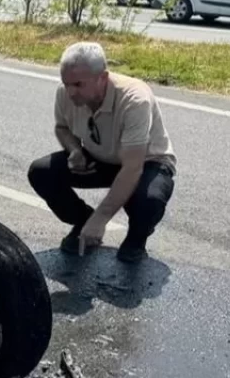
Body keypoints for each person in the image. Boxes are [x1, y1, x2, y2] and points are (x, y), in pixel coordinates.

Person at [27, 42, 176, 263]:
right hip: (100, 157)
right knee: (41, 172)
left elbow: (132, 168)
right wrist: (75, 150)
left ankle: (137, 237)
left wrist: (101, 218)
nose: (71, 92)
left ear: (102, 78)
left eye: (78, 84)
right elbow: (62, 128)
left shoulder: (135, 99)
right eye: (66, 83)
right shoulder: (65, 92)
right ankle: (82, 220)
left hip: (145, 163)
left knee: (148, 200)